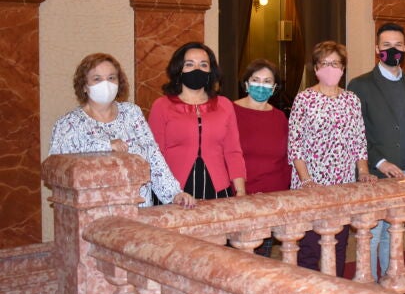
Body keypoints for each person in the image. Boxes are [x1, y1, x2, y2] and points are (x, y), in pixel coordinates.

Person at [348, 22, 405, 281]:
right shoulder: (360, 85)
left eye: (398, 45)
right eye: (387, 45)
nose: (393, 50)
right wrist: (380, 161)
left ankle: (391, 286)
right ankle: (368, 290)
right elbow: (356, 132)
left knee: (394, 235)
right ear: (377, 49)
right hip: (375, 174)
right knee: (372, 236)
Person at [49, 53, 195, 209]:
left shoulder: (132, 113)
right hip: (93, 214)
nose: (106, 84)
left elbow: (153, 156)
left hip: (139, 210)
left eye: (111, 78)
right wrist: (103, 146)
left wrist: (174, 194)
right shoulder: (68, 124)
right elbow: (56, 171)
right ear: (84, 86)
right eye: (97, 79)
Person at [288, 41, 375, 277]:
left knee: (338, 246)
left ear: (343, 68)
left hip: (342, 186)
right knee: (309, 249)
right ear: (316, 68)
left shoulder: (351, 100)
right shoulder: (304, 99)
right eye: (324, 63)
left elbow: (359, 141)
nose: (330, 68)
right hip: (310, 186)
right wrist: (306, 181)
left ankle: (336, 293)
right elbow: (295, 145)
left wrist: (363, 171)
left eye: (335, 63)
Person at [148, 42, 247, 200]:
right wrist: (171, 192)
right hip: (174, 192)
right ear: (179, 69)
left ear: (210, 71)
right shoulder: (162, 106)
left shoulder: (225, 105)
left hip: (218, 189)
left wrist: (240, 191)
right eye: (189, 64)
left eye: (203, 64)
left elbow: (233, 151)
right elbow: (155, 155)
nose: (197, 69)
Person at [234, 59, 290, 257]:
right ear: (246, 83)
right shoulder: (230, 111)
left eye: (267, 81)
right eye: (256, 80)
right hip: (239, 199)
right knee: (238, 261)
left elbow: (285, 159)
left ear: (274, 88)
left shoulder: (279, 118)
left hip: (271, 202)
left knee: (263, 261)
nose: (261, 85)